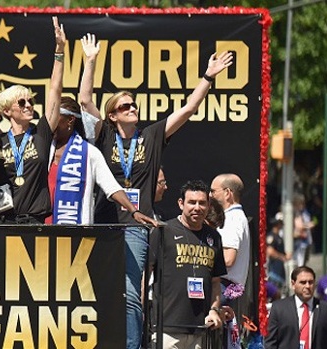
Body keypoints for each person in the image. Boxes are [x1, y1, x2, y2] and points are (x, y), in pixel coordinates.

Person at [78, 32, 233, 348]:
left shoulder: (149, 137)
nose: (132, 107)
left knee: (131, 292)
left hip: (136, 227)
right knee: (97, 289)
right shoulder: (103, 135)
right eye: (125, 105)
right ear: (113, 114)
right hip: (103, 222)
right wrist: (90, 62)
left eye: (134, 104)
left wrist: (207, 77)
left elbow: (188, 109)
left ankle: (133, 345)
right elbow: (84, 100)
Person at [0, 17, 65, 224]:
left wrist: (59, 51)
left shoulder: (41, 132)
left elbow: (55, 90)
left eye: (30, 100)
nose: (28, 105)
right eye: (21, 102)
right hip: (1, 220)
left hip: (32, 221)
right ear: (7, 111)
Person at [46, 96, 157, 225]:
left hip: (76, 230)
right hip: (43, 227)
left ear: (70, 119)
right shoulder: (43, 149)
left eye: (55, 116)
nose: (50, 120)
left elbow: (111, 186)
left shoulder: (88, 152)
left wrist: (134, 211)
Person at [149, 180, 226, 349]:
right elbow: (145, 275)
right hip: (167, 328)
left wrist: (214, 309)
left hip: (200, 329)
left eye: (202, 203)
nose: (197, 208)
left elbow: (215, 283)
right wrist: (141, 315)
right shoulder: (164, 231)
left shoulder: (214, 238)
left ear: (208, 205)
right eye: (191, 202)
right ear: (181, 203)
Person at [265, 266, 327, 349]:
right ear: (293, 284)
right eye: (303, 282)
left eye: (311, 282)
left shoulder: (324, 309)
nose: (307, 286)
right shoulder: (279, 308)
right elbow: (270, 342)